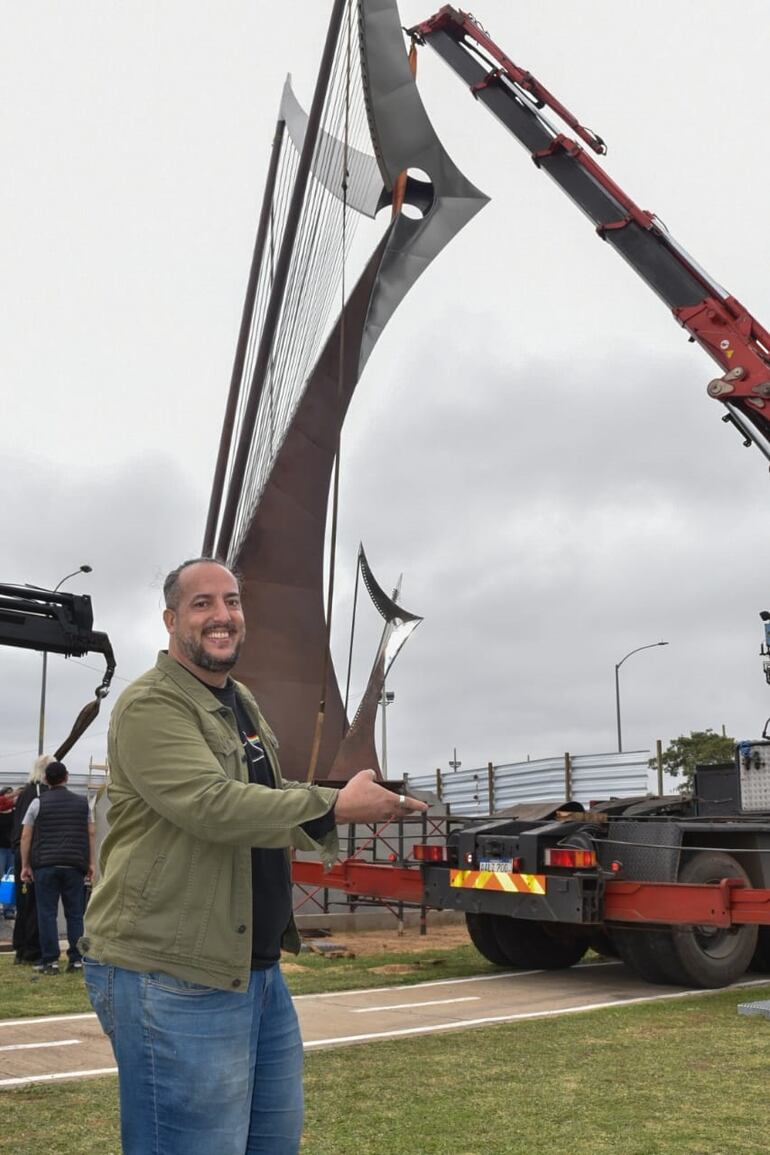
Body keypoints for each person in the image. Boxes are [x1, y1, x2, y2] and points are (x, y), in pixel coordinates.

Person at [81, 557, 427, 1155]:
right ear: (170, 620)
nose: (223, 616)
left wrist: (344, 799)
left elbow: (268, 797)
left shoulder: (239, 700)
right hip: (175, 972)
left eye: (232, 602)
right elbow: (211, 805)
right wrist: (334, 808)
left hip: (254, 971)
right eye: (203, 604)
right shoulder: (151, 706)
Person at [20, 760, 94, 975]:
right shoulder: (82, 803)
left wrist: (26, 864)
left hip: (45, 864)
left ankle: (50, 960)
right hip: (74, 864)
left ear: (45, 779)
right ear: (67, 777)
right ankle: (77, 959)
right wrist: (90, 862)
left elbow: (26, 835)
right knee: (75, 914)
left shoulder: (37, 802)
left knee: (47, 913)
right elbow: (90, 832)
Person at [11, 756, 51, 964]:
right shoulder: (42, 794)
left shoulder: (25, 793)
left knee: (22, 901)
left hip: (19, 850)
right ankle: (32, 949)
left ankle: (20, 946)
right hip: (35, 852)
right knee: (37, 903)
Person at [0, 787, 19, 920]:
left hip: (11, 850)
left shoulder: (15, 812)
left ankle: (9, 909)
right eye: (8, 794)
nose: (11, 796)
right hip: (0, 849)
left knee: (10, 880)